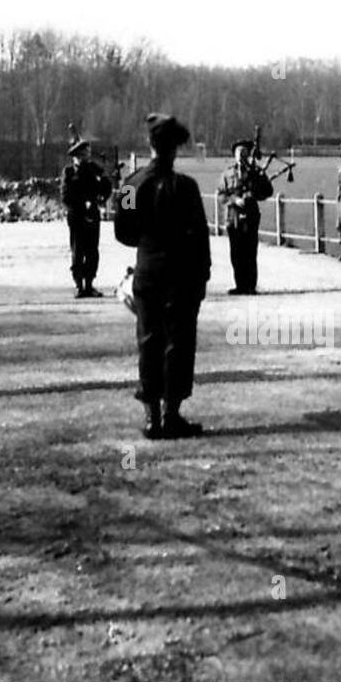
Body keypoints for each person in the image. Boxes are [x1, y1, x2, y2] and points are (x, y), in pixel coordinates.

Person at [115, 113, 212, 439]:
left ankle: (151, 418)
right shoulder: (186, 187)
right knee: (178, 344)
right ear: (175, 149)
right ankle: (172, 415)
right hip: (181, 276)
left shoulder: (131, 184)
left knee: (149, 341)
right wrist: (202, 278)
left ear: (149, 145)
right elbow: (200, 238)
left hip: (147, 272)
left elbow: (122, 233)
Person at [217, 139, 273, 295]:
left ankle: (250, 286)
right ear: (234, 155)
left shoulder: (255, 172)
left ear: (248, 154)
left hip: (250, 217)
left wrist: (253, 194)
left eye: (244, 153)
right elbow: (221, 195)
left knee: (250, 251)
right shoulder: (227, 174)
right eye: (238, 152)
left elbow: (267, 191)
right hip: (233, 217)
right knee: (236, 252)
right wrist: (234, 200)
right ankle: (240, 285)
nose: (241, 155)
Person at [61, 136, 113, 298]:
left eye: (86, 154)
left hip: (92, 215)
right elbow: (65, 195)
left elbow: (106, 187)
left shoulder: (94, 169)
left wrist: (100, 198)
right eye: (82, 155)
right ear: (76, 156)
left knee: (92, 251)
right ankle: (79, 285)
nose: (85, 157)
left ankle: (89, 284)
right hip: (77, 216)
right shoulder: (69, 172)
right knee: (77, 251)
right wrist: (81, 203)